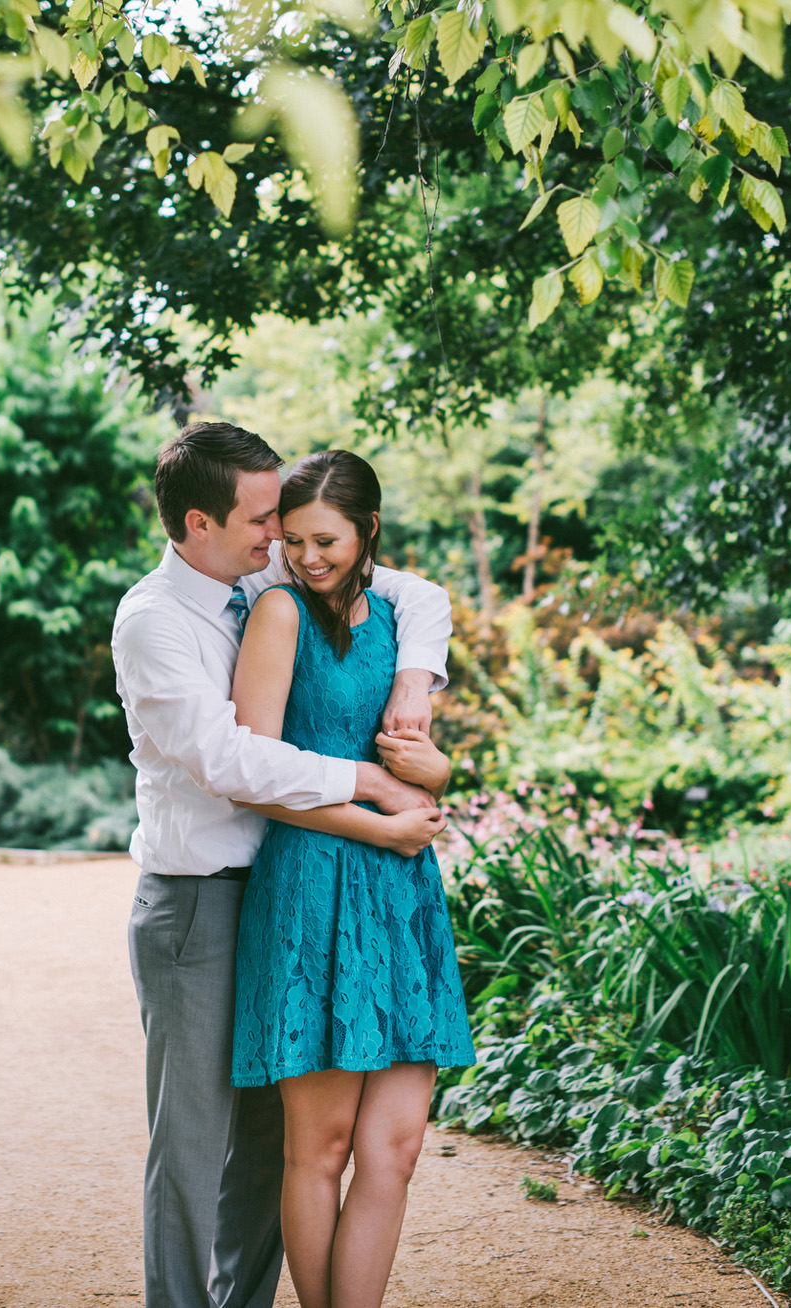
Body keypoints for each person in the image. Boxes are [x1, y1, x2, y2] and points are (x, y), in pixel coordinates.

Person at [111, 423, 453, 1308]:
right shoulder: (156, 622)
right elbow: (233, 762)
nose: (282, 537)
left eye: (293, 526)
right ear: (200, 522)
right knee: (192, 1145)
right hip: (197, 903)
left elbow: (410, 590)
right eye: (266, 519)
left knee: (271, 1148)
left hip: (277, 889)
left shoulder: (260, 576)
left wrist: (418, 676)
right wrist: (371, 783)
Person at [229, 450, 476, 1308]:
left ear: (369, 529)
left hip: (400, 891)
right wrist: (385, 821)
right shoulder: (277, 613)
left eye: (325, 539)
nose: (307, 556)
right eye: (293, 540)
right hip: (312, 881)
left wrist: (437, 775)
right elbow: (259, 774)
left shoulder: (400, 620)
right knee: (321, 1150)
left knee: (396, 1149)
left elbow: (418, 768)